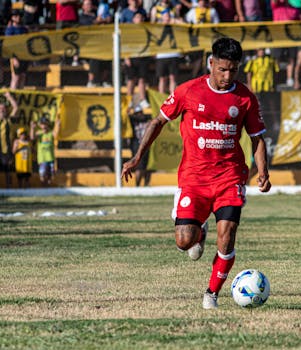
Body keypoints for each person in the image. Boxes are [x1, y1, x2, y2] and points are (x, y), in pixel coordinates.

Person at [121, 37, 272, 309]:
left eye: (233, 70)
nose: (227, 76)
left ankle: (211, 294)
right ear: (211, 64)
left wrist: (263, 170)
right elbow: (157, 122)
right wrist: (137, 157)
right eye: (222, 69)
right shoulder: (189, 91)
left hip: (229, 177)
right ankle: (198, 231)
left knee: (227, 235)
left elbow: (257, 137)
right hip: (193, 180)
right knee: (184, 242)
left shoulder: (245, 98)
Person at [0, 91, 19, 188]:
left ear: (6, 109)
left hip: (7, 150)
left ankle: (8, 189)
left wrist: (9, 97)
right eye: (0, 108)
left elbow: (16, 108)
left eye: (4, 108)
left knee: (8, 171)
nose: (2, 110)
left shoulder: (10, 119)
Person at [30, 116, 60, 186]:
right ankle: (43, 186)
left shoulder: (50, 133)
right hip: (42, 158)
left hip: (50, 157)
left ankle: (48, 187)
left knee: (51, 174)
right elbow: (32, 138)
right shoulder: (39, 133)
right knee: (42, 174)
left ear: (48, 124)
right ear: (40, 125)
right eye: (42, 124)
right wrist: (32, 128)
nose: (44, 126)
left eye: (45, 124)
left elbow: (56, 134)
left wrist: (58, 125)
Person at [128, 105, 152, 186]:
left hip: (147, 145)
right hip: (137, 145)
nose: (139, 115)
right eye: (137, 113)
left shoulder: (147, 120)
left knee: (149, 167)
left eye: (140, 113)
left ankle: (146, 185)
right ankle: (137, 185)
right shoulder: (132, 121)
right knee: (139, 167)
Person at [5, 10, 29, 89]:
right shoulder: (10, 30)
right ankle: (12, 96)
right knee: (15, 77)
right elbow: (9, 45)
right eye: (15, 16)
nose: (18, 18)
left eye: (19, 16)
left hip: (24, 55)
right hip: (15, 55)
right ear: (12, 18)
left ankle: (19, 97)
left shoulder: (24, 29)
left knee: (22, 77)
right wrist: (14, 58)